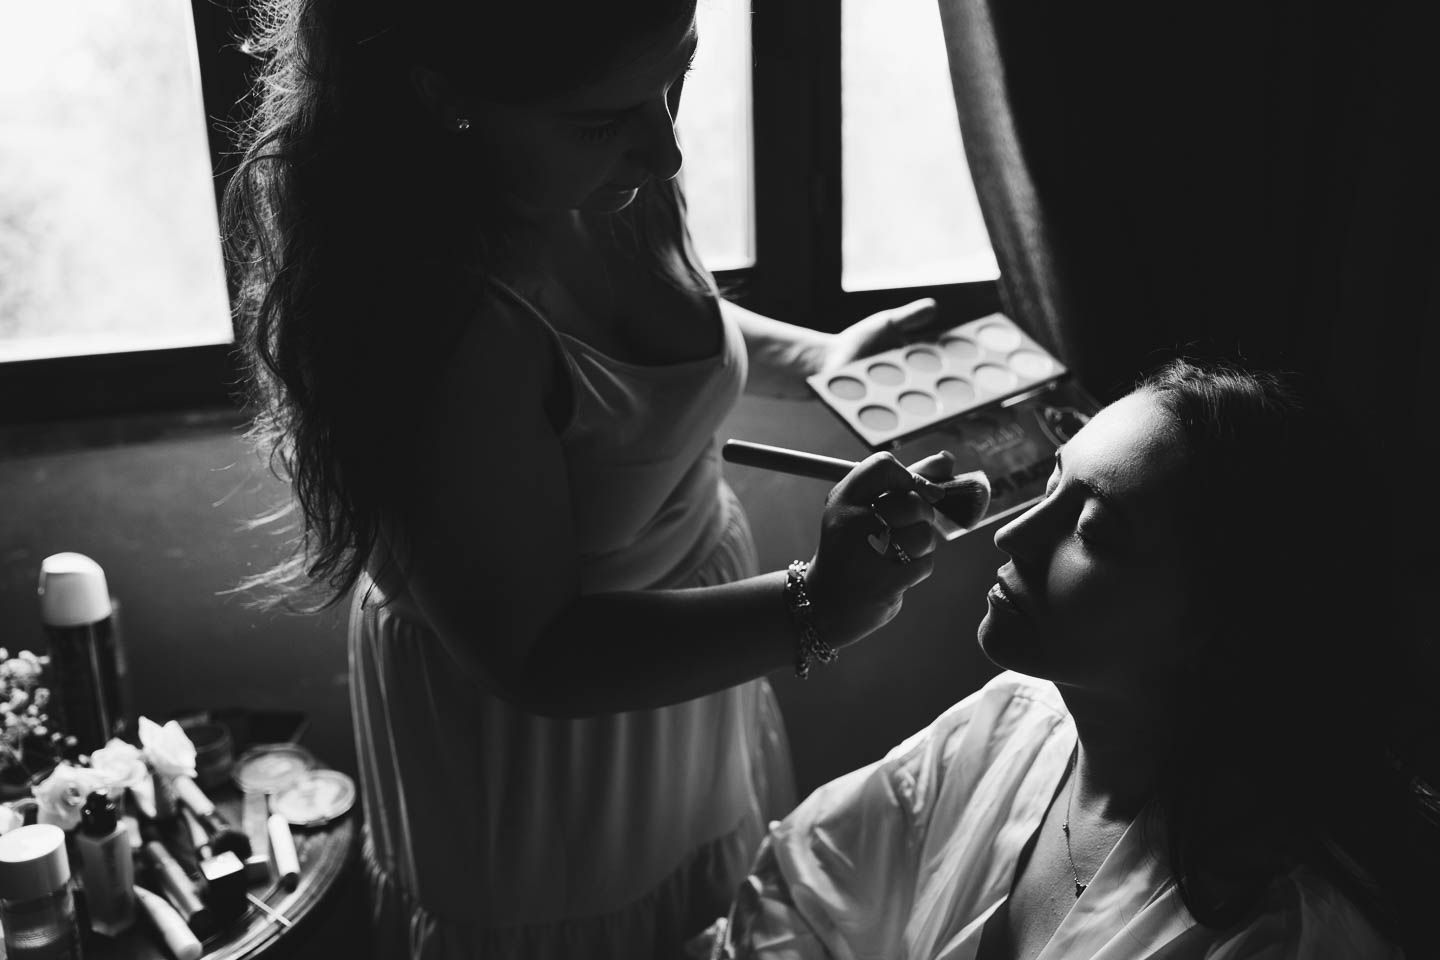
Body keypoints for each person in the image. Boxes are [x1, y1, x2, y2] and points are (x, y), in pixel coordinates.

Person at [221, 1, 963, 957]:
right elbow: (536, 655)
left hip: (687, 674)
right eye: (603, 119)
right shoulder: (440, 329)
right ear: (445, 98)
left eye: (677, 77)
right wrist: (819, 603)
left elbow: (649, 343)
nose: (667, 151)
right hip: (549, 760)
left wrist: (817, 358)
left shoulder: (607, 172)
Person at [706, 358, 1438, 959]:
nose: (1012, 536)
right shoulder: (1011, 721)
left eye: (1093, 529)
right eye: (1051, 483)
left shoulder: (1280, 937)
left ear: (1226, 622)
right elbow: (802, 889)